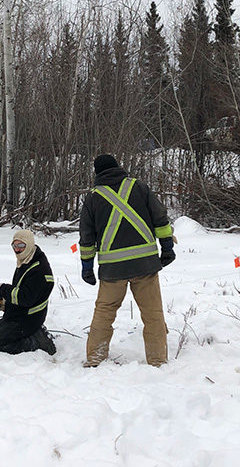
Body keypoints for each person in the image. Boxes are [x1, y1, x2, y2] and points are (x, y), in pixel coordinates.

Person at [79, 154, 175, 367]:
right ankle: (158, 360)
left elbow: (87, 238)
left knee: (104, 314)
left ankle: (95, 358)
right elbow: (160, 218)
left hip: (112, 270)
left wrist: (87, 266)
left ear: (97, 173)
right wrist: (167, 246)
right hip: (145, 266)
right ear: (118, 167)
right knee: (153, 314)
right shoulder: (139, 187)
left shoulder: (93, 198)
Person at [0, 229, 56, 355]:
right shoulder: (26, 260)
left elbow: (25, 298)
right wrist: (4, 302)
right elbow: (20, 291)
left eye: (21, 246)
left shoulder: (39, 269)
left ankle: (36, 343)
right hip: (17, 314)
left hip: (29, 319)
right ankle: (33, 335)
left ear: (30, 244)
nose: (17, 249)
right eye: (15, 246)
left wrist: (1, 289)